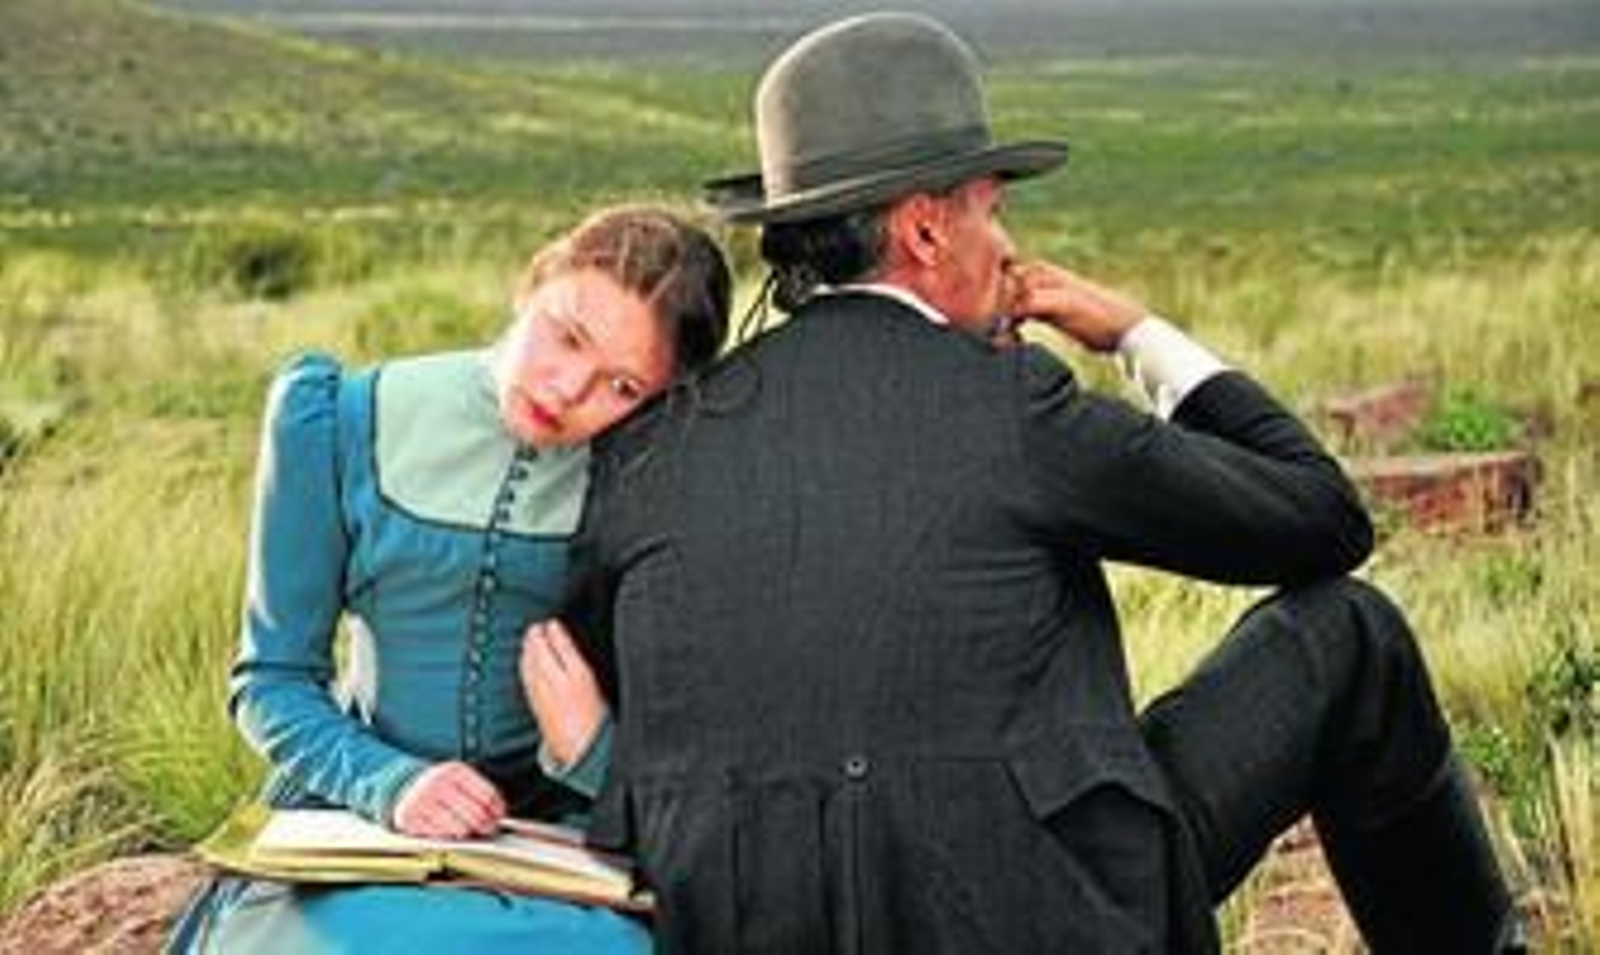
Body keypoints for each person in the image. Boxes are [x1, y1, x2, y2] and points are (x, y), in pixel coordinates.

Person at [560, 14, 1522, 953]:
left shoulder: (650, 445)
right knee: (1351, 632)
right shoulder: (1007, 404)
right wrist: (1134, 335)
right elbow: (1320, 518)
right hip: (1043, 919)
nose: (1009, 242)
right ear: (927, 231)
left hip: (732, 927)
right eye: (993, 207)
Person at [166, 205, 731, 954]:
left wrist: (594, 750)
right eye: (566, 335)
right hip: (353, 817)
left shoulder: (659, 477)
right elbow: (270, 682)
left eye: (621, 386)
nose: (566, 390)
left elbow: (698, 724)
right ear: (536, 281)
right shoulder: (332, 418)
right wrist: (393, 785)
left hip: (566, 841)